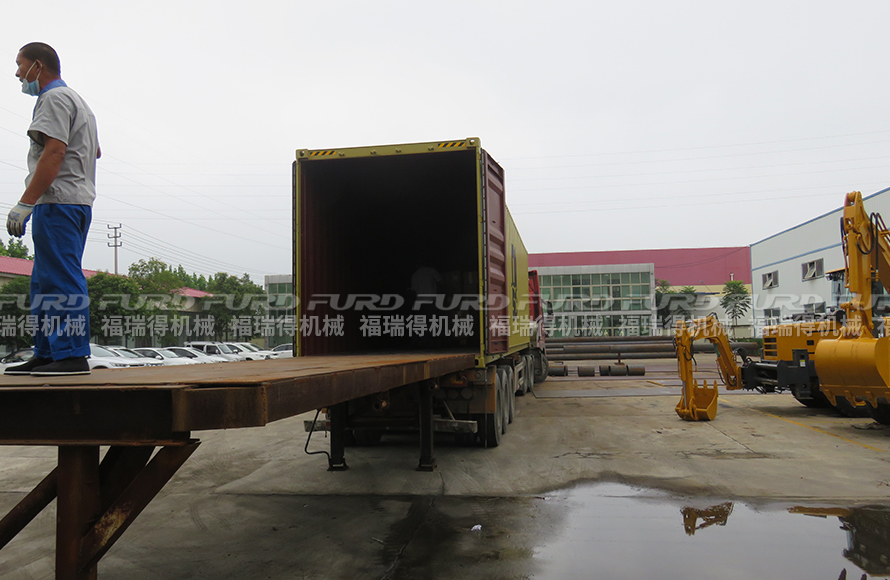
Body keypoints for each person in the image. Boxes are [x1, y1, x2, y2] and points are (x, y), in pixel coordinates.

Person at [5, 42, 99, 376]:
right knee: (44, 282)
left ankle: (72, 354)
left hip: (59, 201)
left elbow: (55, 151)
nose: (18, 73)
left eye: (20, 64)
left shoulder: (54, 98)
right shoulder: (78, 102)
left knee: (60, 279)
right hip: (71, 200)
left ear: (38, 66)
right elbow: (95, 151)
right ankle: (47, 353)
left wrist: (25, 202)